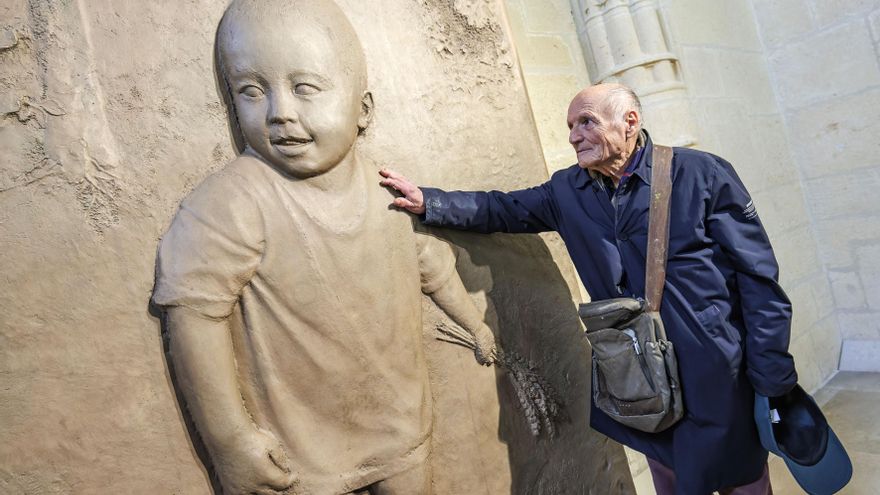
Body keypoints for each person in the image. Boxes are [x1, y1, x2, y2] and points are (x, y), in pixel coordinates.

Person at [380, 83, 798, 494]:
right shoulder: (568, 190)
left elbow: (758, 279)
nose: (573, 135)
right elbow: (501, 208)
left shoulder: (701, 173)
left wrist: (771, 373)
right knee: (670, 474)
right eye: (569, 125)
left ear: (629, 122)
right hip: (639, 377)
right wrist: (428, 201)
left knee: (743, 479)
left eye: (586, 122)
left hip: (717, 371)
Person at [151, 1, 496, 494]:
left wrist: (476, 326)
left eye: (305, 88)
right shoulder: (230, 202)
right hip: (300, 452)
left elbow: (431, 268)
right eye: (251, 91)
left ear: (363, 109)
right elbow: (193, 315)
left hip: (401, 426)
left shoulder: (385, 193)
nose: (280, 113)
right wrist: (231, 441)